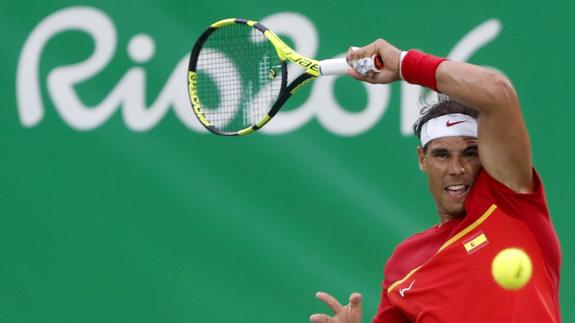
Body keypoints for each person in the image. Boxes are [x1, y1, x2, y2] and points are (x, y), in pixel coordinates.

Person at [309, 39, 562, 322]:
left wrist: (404, 63)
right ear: (422, 159)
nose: (456, 168)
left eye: (470, 153)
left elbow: (497, 91)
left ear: (487, 156)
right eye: (442, 155)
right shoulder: (403, 264)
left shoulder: (512, 204)